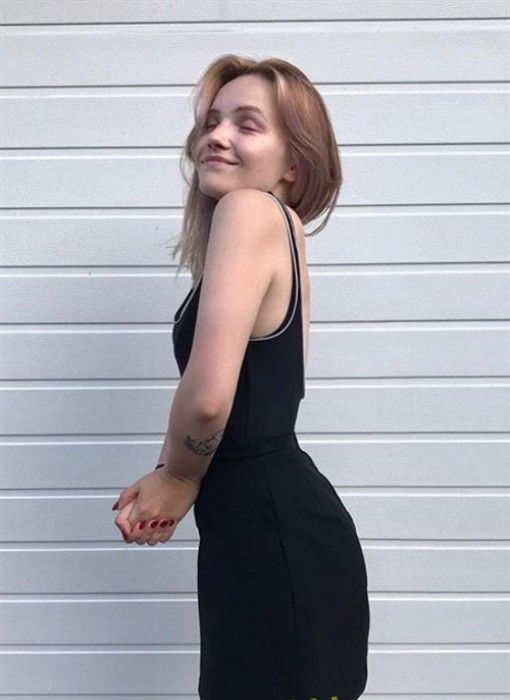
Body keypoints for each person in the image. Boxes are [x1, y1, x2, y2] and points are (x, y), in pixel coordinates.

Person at [111, 54, 370, 700]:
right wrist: (170, 470)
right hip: (273, 535)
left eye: (247, 124)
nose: (217, 136)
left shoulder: (250, 212)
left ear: (294, 164)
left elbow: (210, 400)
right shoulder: (279, 228)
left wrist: (178, 476)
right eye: (211, 121)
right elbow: (252, 403)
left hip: (273, 543)